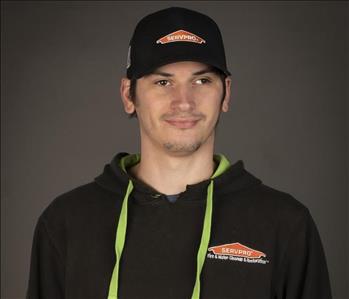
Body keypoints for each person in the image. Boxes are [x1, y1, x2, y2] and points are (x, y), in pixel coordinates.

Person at [26, 6, 332, 299]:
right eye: (162, 82)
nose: (183, 102)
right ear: (128, 95)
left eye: (201, 81)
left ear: (226, 92)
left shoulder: (285, 225)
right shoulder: (66, 222)